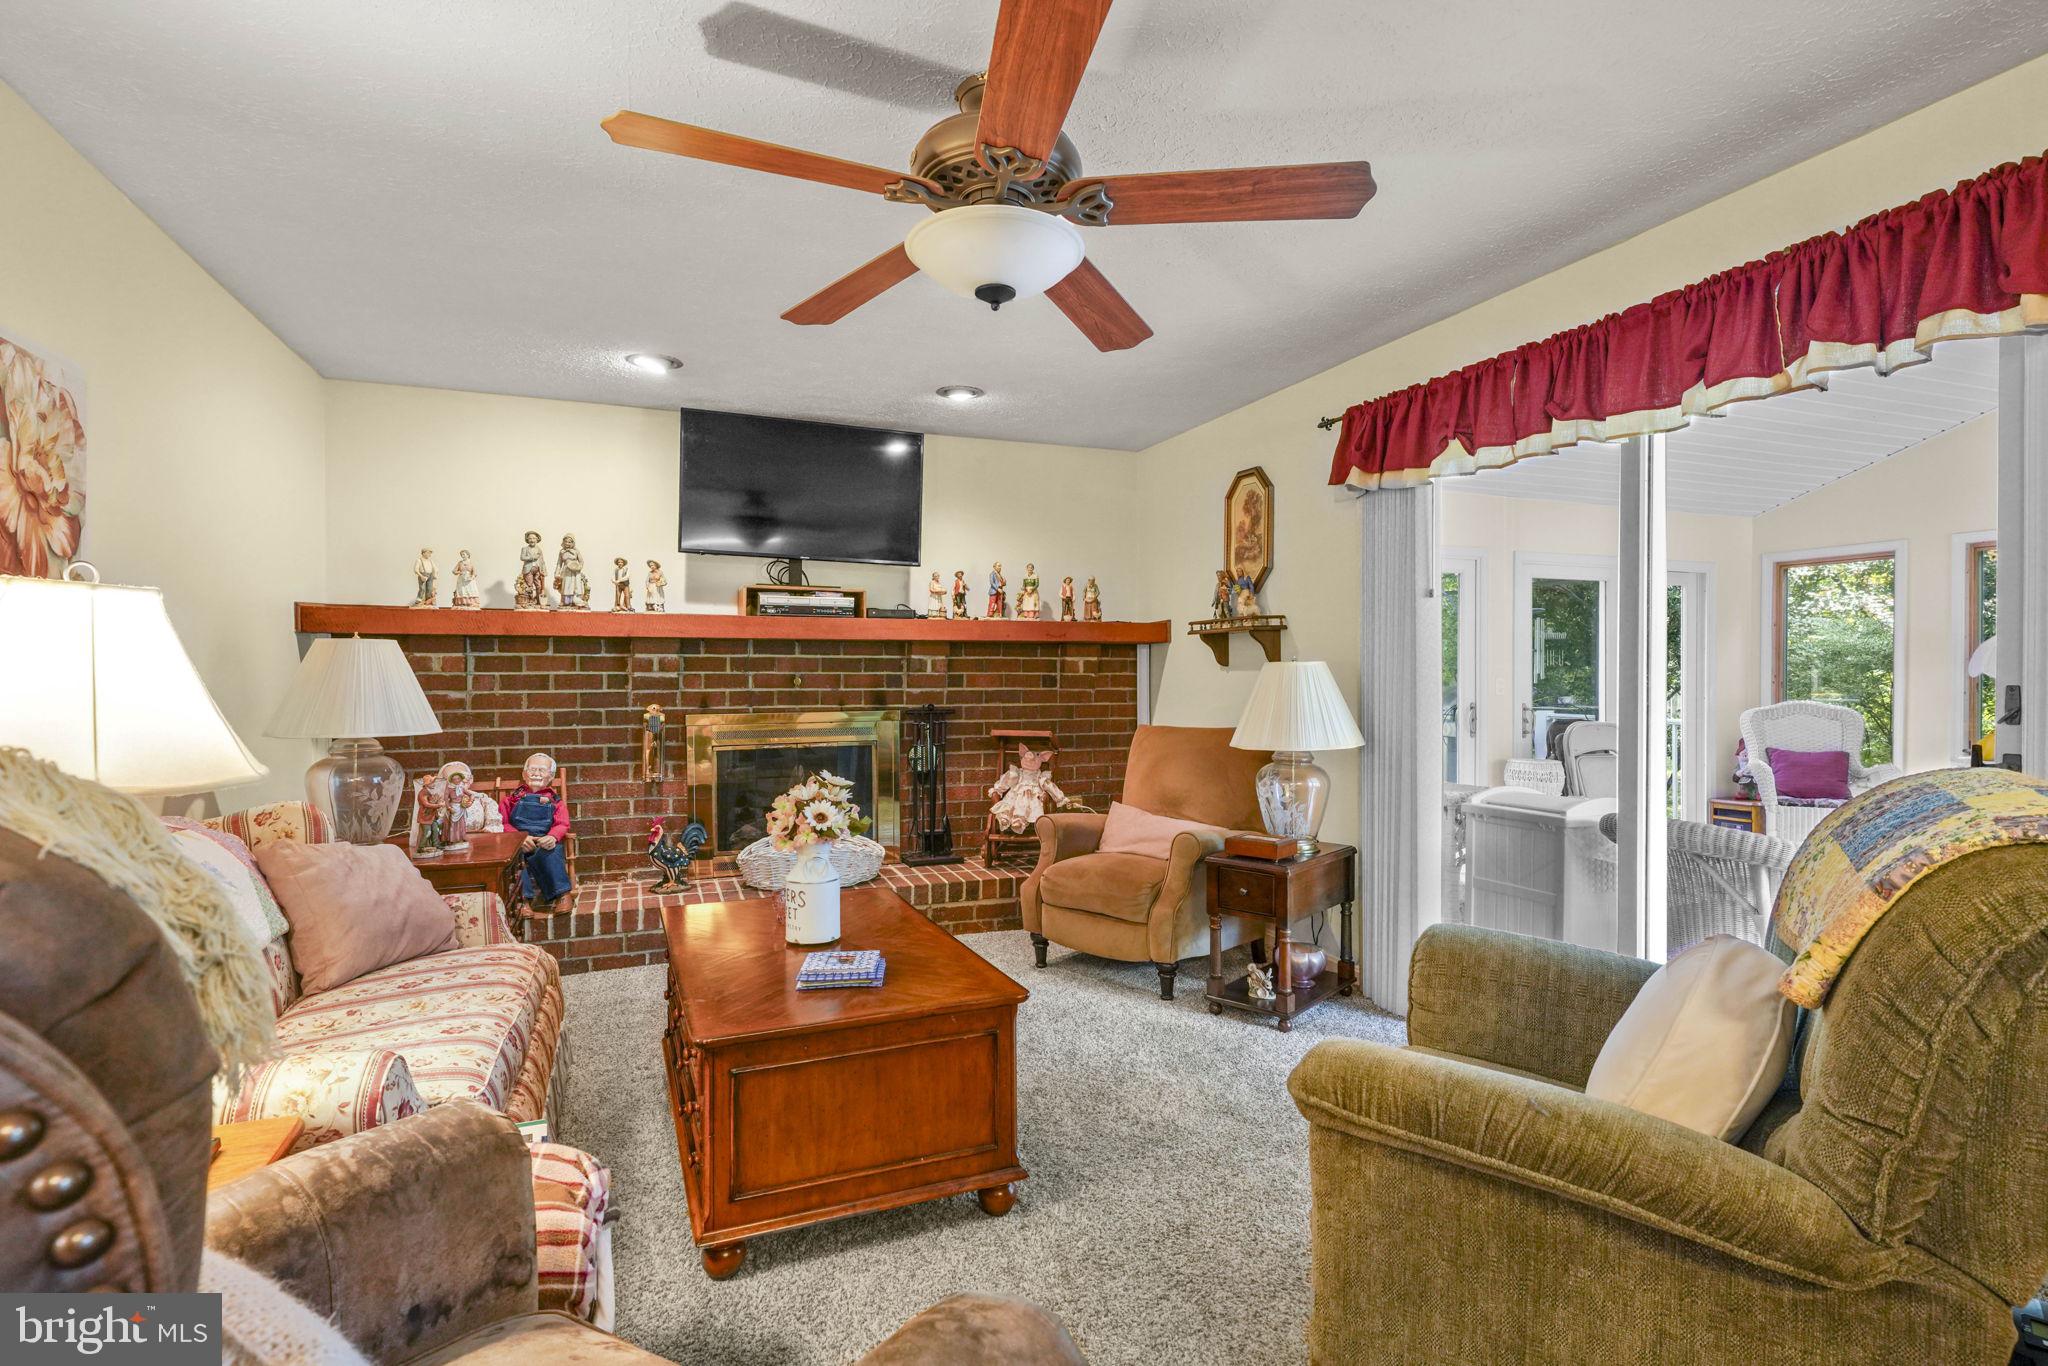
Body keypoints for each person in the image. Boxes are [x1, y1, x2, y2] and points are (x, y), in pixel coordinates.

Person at [500, 752, 572, 910]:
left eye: (542, 770)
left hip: (543, 841)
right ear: (524, 774)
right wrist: (518, 838)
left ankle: (562, 894)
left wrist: (553, 837)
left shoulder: (555, 802)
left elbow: (562, 823)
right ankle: (523, 901)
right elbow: (502, 823)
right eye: (532, 769)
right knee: (515, 861)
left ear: (550, 776)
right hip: (520, 842)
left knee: (553, 853)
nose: (536, 773)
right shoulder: (511, 799)